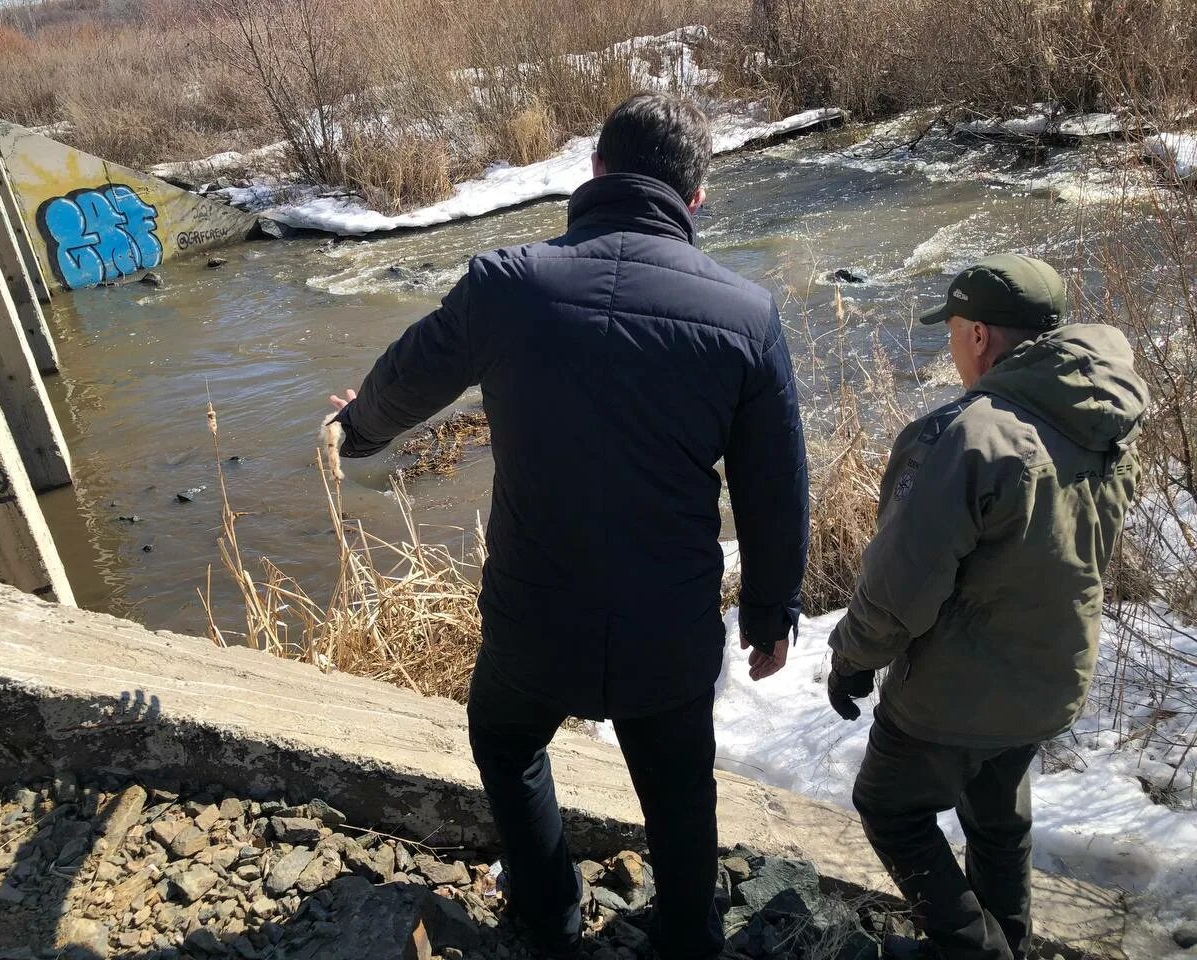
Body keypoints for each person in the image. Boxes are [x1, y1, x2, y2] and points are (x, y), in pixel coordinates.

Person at [324, 91, 809, 959]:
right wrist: (772, 612)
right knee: (679, 794)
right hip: (669, 627)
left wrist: (358, 427)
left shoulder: (506, 285)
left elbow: (406, 379)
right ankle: (690, 939)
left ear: (592, 174)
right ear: (696, 198)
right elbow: (776, 488)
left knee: (507, 745)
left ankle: (550, 917)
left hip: (534, 618)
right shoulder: (746, 315)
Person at [826, 254, 1149, 960]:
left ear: (977, 335)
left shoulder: (965, 436)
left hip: (951, 699)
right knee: (998, 821)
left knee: (890, 807)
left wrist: (851, 660)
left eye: (952, 330)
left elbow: (898, 589)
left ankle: (975, 949)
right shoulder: (1104, 415)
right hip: (1051, 678)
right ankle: (1012, 939)